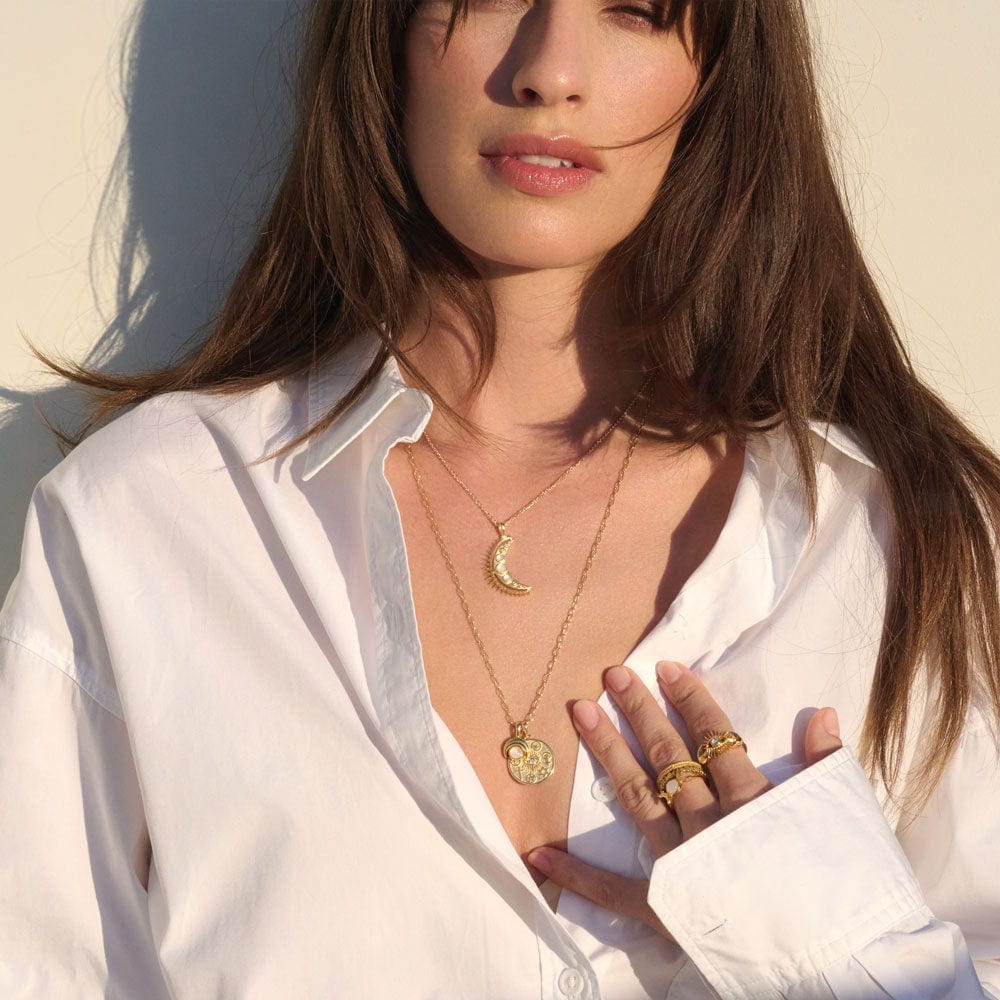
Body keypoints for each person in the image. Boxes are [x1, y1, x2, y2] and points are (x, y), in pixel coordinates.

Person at [1, 0, 998, 996]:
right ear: (385, 36)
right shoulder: (147, 520)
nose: (548, 72)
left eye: (635, 9)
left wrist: (825, 949)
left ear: (719, 72)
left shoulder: (898, 541)